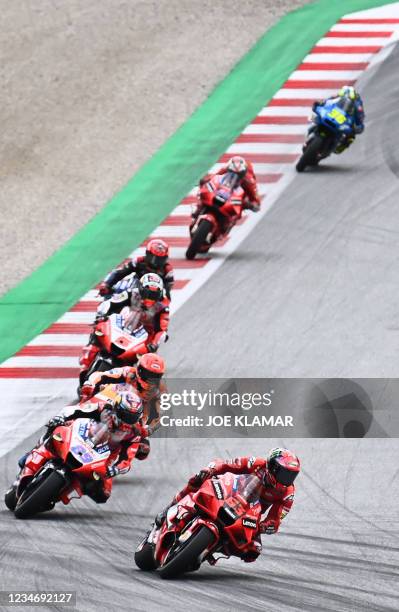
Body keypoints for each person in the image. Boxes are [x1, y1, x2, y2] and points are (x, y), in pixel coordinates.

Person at [9, 391, 153, 508]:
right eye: (125, 415)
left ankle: (58, 493)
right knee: (56, 429)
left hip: (102, 457)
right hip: (82, 435)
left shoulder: (134, 433)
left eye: (131, 418)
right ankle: (31, 457)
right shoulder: (103, 407)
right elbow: (76, 410)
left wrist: (115, 469)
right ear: (116, 407)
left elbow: (127, 459)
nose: (126, 421)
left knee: (103, 494)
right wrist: (60, 417)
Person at [155, 448, 300, 562]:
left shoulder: (288, 493)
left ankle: (207, 551)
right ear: (272, 466)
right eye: (284, 474)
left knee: (252, 551)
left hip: (250, 513)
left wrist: (264, 526)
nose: (287, 480)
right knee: (197, 481)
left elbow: (276, 519)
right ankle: (170, 507)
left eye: (291, 476)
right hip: (231, 493)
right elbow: (226, 464)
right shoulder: (255, 464)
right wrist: (210, 469)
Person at [79, 273, 170, 377]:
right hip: (124, 326)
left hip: (144, 338)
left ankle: (139, 385)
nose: (150, 298)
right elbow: (111, 302)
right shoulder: (132, 293)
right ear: (141, 289)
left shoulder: (163, 307)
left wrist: (153, 344)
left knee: (149, 368)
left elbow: (162, 330)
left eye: (154, 295)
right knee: (99, 331)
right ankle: (85, 365)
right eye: (147, 293)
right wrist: (102, 316)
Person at [80, 353, 166, 427]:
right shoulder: (128, 372)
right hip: (107, 401)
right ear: (139, 369)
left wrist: (144, 425)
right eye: (148, 374)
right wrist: (90, 384)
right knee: (83, 407)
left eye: (155, 376)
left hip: (130, 416)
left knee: (142, 443)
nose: (151, 379)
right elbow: (100, 375)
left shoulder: (159, 391)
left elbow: (157, 415)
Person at [98, 239, 174, 299]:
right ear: (147, 254)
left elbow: (167, 289)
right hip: (135, 288)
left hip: (154, 295)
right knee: (116, 289)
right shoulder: (138, 261)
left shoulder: (167, 270)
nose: (155, 262)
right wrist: (107, 284)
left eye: (160, 259)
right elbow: (120, 272)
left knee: (165, 306)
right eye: (153, 258)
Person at [310, 85, 365, 153]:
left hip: (343, 122)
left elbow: (360, 120)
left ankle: (339, 148)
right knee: (315, 116)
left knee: (351, 137)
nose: (338, 95)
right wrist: (319, 104)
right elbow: (325, 102)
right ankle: (311, 130)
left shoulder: (358, 106)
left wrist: (357, 127)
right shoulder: (335, 98)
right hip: (331, 115)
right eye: (339, 95)